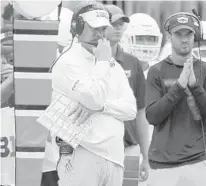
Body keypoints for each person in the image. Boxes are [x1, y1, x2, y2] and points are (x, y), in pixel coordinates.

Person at [50, 2, 137, 186]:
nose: (99, 33)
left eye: (103, 28)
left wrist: (102, 107)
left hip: (114, 156)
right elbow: (94, 97)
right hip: (81, 154)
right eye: (94, 27)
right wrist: (103, 63)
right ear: (77, 27)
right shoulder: (67, 62)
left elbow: (130, 110)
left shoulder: (112, 64)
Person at [145, 12, 206, 186]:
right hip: (162, 164)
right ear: (170, 37)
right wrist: (178, 87)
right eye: (178, 34)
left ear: (196, 36)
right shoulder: (156, 71)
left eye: (189, 34)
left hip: (197, 161)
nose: (184, 39)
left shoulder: (204, 69)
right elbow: (152, 116)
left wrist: (195, 87)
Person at [105, 4, 149, 182]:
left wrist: (145, 156)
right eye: (113, 23)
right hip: (95, 150)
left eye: (121, 24)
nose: (118, 28)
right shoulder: (86, 61)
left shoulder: (133, 63)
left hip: (128, 148)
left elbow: (140, 112)